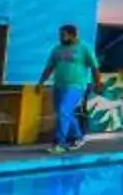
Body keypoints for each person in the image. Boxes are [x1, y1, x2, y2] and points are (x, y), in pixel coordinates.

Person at [41, 23, 98, 151]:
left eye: (63, 35)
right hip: (59, 85)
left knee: (63, 111)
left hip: (76, 86)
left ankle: (60, 142)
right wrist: (41, 83)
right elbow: (50, 67)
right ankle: (77, 136)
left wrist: (98, 84)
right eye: (60, 35)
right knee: (65, 112)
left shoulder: (84, 48)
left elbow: (94, 67)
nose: (60, 38)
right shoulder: (57, 49)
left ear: (72, 35)